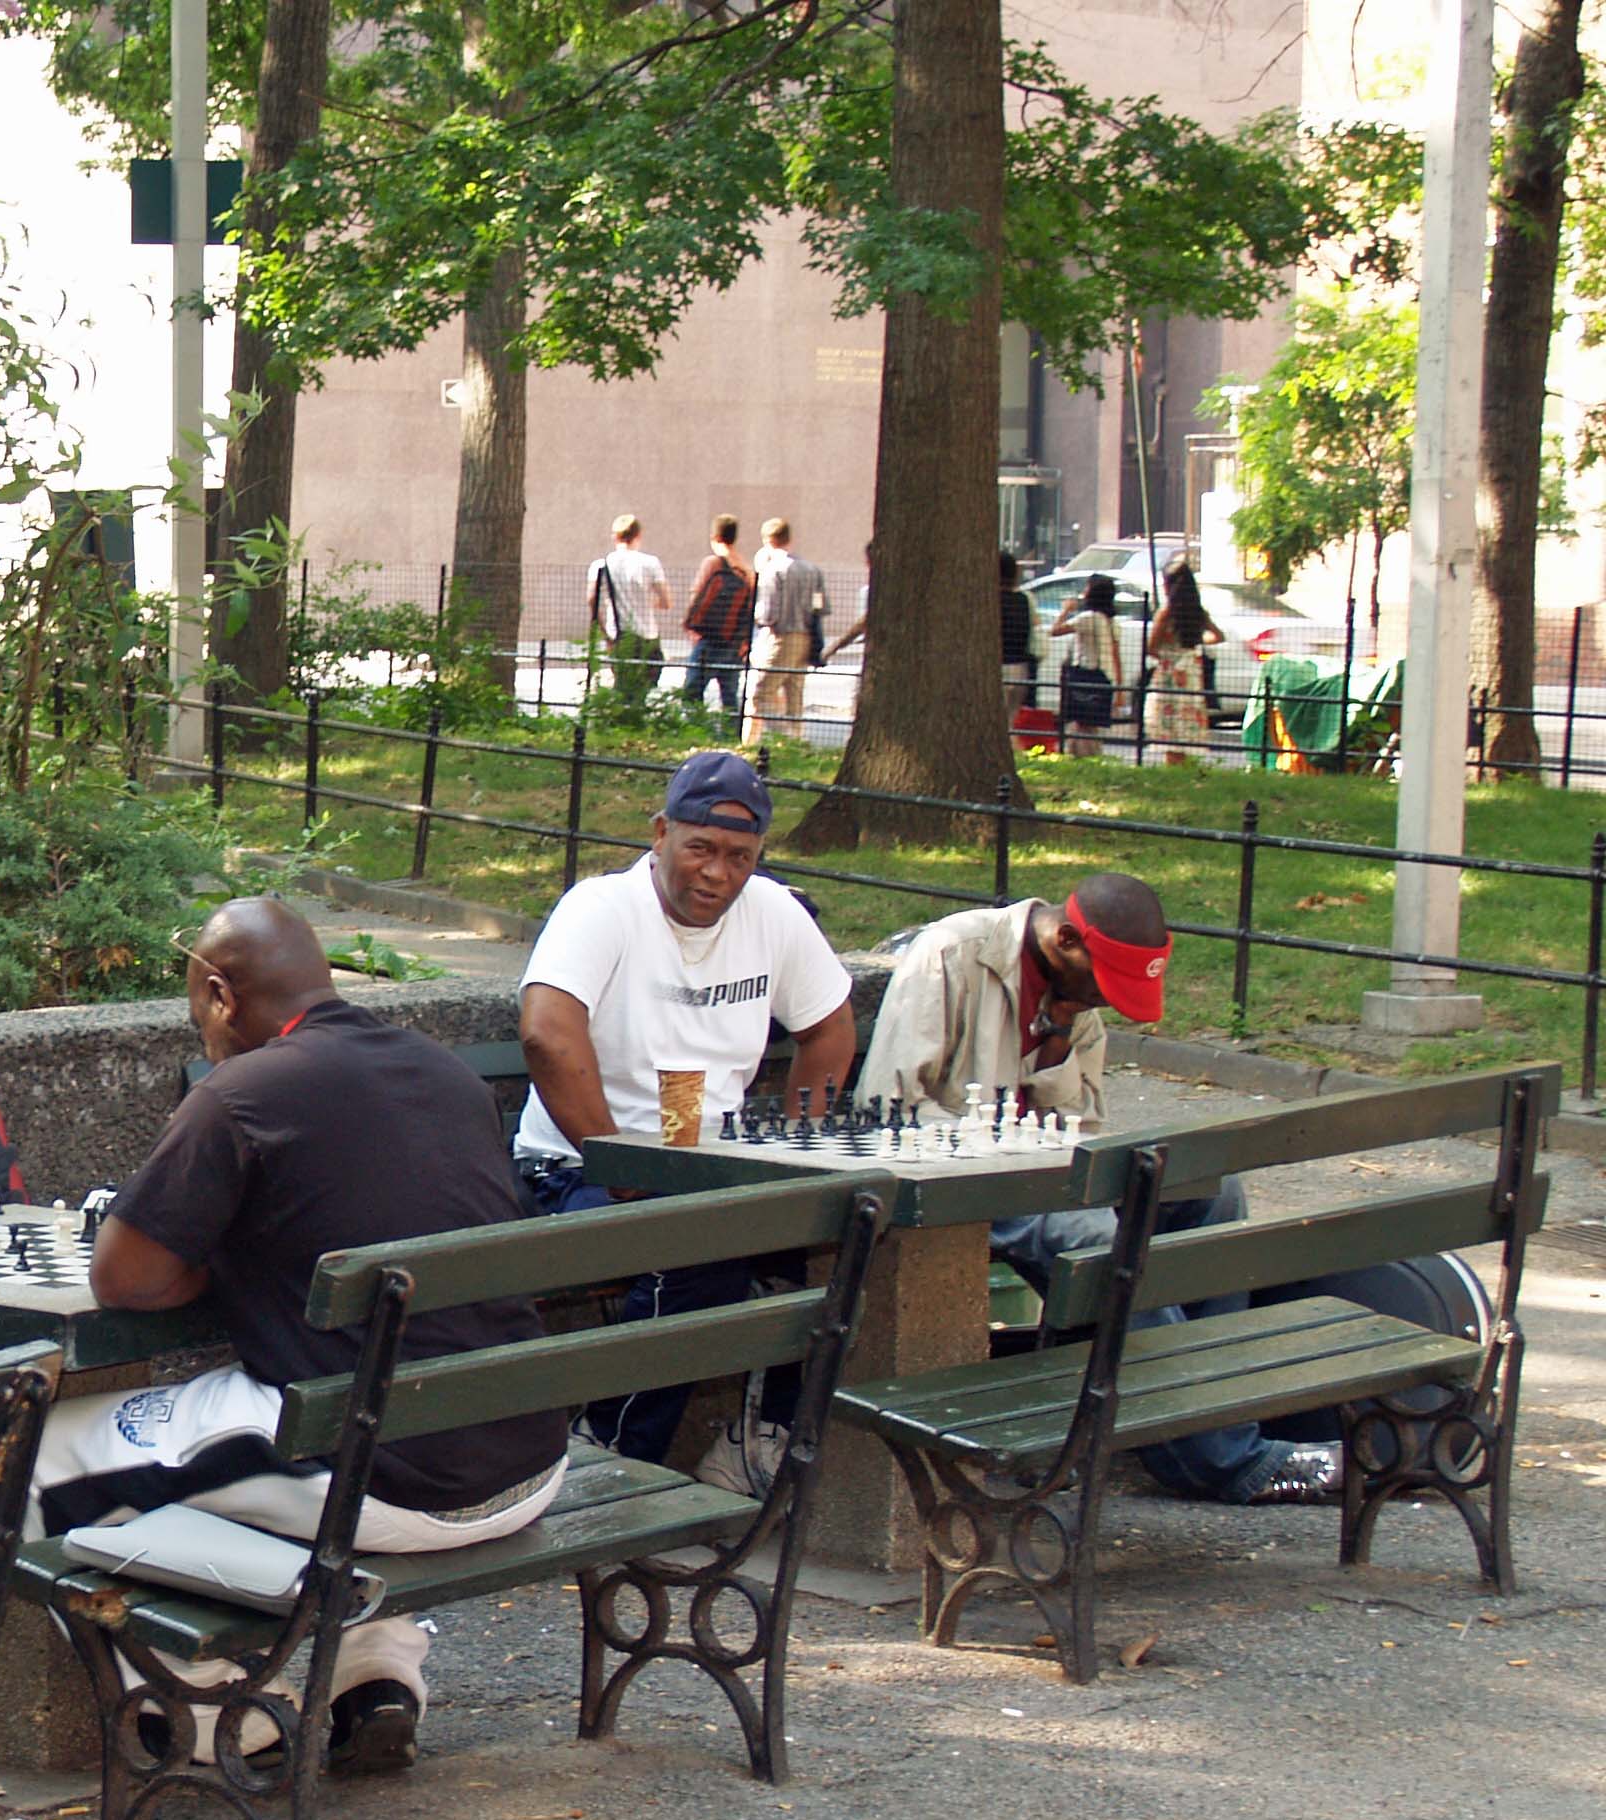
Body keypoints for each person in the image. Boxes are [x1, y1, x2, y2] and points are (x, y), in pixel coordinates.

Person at [32, 899, 574, 1774]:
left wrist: (221, 1257)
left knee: (35, 1453)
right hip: (528, 1457)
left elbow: (123, 1279)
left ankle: (215, 1710)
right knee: (251, 1449)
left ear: (217, 993)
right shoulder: (446, 1076)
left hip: (392, 1481)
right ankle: (373, 1673)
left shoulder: (240, 1095)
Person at [862, 873, 1342, 1506]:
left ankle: (1188, 1411)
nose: (1106, 1004)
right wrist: (1005, 1147)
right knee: (1099, 1239)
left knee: (1213, 1194)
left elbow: (1083, 1127)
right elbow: (887, 1106)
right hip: (956, 1180)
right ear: (1064, 940)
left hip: (1049, 1173)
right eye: (1103, 986)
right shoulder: (953, 953)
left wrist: (1058, 1036)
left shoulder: (1076, 998)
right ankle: (1217, 1457)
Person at [512, 749, 857, 1480]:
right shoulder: (602, 909)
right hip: (575, 1165)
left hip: (710, 1163)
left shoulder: (775, 913)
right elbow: (546, 1029)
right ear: (661, 833)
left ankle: (758, 1438)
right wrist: (617, 1157)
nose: (717, 873)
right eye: (700, 848)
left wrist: (799, 1142)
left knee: (838, 1231)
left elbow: (828, 1029)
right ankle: (612, 1451)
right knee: (697, 1242)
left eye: (739, 856)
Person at [740, 518, 826, 749]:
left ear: (767, 540)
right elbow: (820, 607)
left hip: (780, 637)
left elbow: (767, 613)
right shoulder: (812, 570)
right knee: (794, 693)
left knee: (760, 695)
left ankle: (786, 737)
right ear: (789, 539)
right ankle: (795, 741)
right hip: (806, 636)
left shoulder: (772, 570)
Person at [585, 513, 673, 713]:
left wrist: (604, 633)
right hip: (647, 635)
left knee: (622, 686)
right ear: (638, 535)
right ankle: (636, 719)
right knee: (645, 686)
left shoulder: (600, 566)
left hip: (618, 635)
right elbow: (667, 602)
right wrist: (648, 602)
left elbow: (591, 599)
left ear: (614, 537)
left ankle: (622, 722)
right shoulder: (650, 563)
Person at [1144, 560, 1221, 766]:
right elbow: (1218, 636)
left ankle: (1173, 771)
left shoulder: (1166, 613)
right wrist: (1194, 644)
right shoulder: (1197, 612)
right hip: (1191, 673)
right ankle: (1182, 769)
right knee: (1185, 725)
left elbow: (1151, 647)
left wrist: (1166, 654)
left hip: (1170, 672)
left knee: (1169, 728)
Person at [681, 514, 755, 722]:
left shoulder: (713, 563)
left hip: (708, 638)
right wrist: (744, 641)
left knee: (691, 691)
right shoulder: (747, 570)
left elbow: (697, 595)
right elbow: (749, 609)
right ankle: (730, 739)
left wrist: (689, 625)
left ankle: (696, 730)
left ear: (714, 536)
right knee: (730, 696)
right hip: (732, 642)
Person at [1054, 572, 1123, 756]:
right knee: (1092, 723)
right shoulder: (1112, 622)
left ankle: (1082, 756)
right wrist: (1119, 687)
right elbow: (1116, 656)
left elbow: (1055, 631)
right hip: (1104, 677)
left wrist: (1066, 610)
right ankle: (1091, 755)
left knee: (1081, 722)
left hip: (1085, 674)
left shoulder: (1087, 618)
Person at [998, 551, 1037, 719]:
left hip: (999, 667)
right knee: (1012, 720)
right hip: (1021, 668)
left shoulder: (992, 599)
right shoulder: (1025, 599)